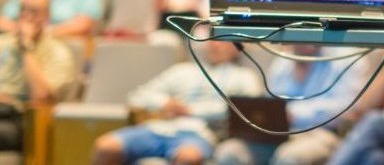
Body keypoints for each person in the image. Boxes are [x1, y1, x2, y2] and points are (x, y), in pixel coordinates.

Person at [90, 39, 261, 165]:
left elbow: (249, 109)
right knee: (106, 146)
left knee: (188, 157)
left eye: (222, 41)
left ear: (237, 46)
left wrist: (190, 110)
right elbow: (138, 96)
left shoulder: (245, 77)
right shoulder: (182, 71)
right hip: (158, 128)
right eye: (212, 40)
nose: (215, 45)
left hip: (199, 133)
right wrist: (164, 104)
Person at [213, 44, 372, 165]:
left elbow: (347, 107)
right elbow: (270, 101)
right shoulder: (283, 60)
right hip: (276, 134)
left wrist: (292, 113)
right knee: (230, 152)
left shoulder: (348, 58)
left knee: (289, 157)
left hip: (321, 133)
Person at [0, 0, 76, 151]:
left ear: (47, 17)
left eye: (34, 12)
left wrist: (26, 48)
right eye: (23, 10)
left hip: (24, 120)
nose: (27, 16)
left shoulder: (58, 52)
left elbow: (42, 97)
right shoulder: (3, 43)